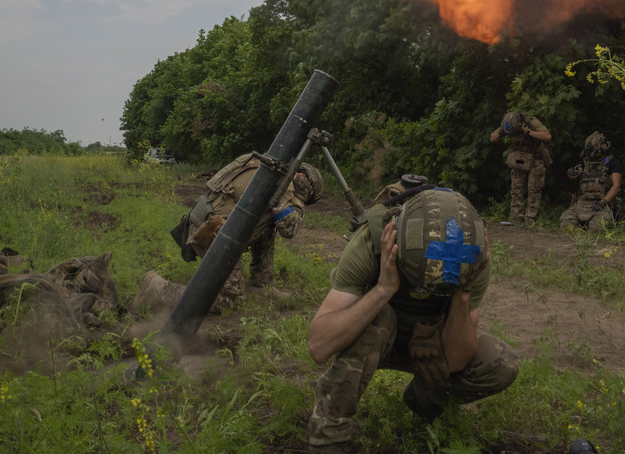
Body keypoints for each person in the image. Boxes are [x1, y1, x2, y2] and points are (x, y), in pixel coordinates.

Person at [306, 188, 520, 452]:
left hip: (431, 348)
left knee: (502, 362)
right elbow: (319, 346)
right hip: (377, 340)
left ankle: (425, 400)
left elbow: (455, 360)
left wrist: (462, 294)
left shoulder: (472, 260)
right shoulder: (372, 244)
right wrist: (383, 289)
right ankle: (329, 438)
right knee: (375, 317)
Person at [133, 153, 323, 314]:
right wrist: (298, 200)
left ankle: (261, 285)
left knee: (269, 225)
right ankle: (158, 289)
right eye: (308, 195)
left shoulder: (264, 165)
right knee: (231, 301)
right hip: (212, 233)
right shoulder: (283, 182)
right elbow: (289, 228)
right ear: (301, 177)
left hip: (208, 222)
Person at [489, 111, 553, 224]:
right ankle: (517, 218)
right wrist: (500, 131)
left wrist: (528, 131)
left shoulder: (531, 122)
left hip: (536, 157)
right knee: (516, 188)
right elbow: (492, 138)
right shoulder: (507, 123)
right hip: (519, 156)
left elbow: (547, 136)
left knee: (534, 189)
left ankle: (530, 220)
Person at [559, 131, 622, 231]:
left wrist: (603, 201)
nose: (591, 155)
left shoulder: (612, 163)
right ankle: (582, 230)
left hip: (601, 204)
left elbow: (617, 186)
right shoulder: (584, 161)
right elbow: (576, 172)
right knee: (565, 224)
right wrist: (572, 173)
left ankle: (587, 228)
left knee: (597, 228)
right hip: (582, 203)